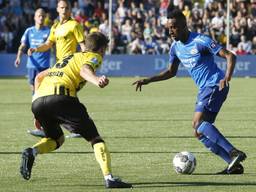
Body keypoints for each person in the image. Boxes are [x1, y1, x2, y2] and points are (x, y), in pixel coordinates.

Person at [133, 10, 247, 174]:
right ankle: (233, 163)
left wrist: (227, 77)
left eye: (174, 27)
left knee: (197, 123)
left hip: (215, 84)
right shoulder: (175, 47)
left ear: (184, 25)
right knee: (198, 131)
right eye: (169, 28)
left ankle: (233, 152)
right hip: (205, 89)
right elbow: (171, 72)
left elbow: (230, 56)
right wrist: (148, 80)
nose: (171, 31)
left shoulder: (201, 41)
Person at [20, 32, 132, 188]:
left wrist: (36, 113)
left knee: (57, 139)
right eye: (104, 50)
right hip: (61, 98)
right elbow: (84, 70)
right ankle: (109, 178)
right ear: (101, 50)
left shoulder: (69, 58)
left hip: (39, 101)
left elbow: (39, 77)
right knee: (95, 139)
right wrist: (97, 80)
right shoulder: (94, 56)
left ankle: (32, 151)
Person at [28, 0, 86, 138]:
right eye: (62, 7)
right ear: (58, 10)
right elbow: (48, 44)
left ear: (70, 10)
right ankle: (42, 121)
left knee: (65, 97)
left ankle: (48, 125)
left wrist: (85, 63)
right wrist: (36, 48)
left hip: (70, 66)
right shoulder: (55, 27)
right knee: (39, 79)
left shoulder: (75, 25)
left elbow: (83, 46)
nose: (64, 10)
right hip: (58, 66)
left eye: (67, 8)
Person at [14, 8, 51, 137]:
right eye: (39, 16)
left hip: (45, 67)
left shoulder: (48, 31)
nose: (41, 18)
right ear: (35, 17)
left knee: (43, 94)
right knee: (35, 93)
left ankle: (40, 121)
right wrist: (19, 56)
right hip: (32, 67)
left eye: (43, 16)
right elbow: (22, 45)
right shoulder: (29, 31)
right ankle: (40, 122)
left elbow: (52, 46)